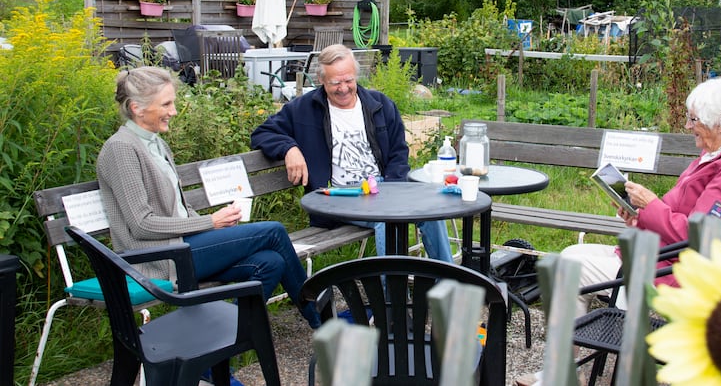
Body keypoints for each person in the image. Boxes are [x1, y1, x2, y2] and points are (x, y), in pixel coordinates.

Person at [96, 66, 320, 328]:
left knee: (271, 262)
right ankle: (320, 320)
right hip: (158, 260)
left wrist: (217, 224)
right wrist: (210, 222)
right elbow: (141, 223)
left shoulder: (156, 143)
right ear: (137, 108)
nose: (174, 111)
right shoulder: (121, 149)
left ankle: (223, 346)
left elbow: (176, 207)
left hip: (182, 245)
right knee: (273, 232)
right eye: (166, 104)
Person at [562, 76, 721, 315]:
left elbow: (700, 236)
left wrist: (650, 205)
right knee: (570, 254)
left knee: (568, 268)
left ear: (720, 123)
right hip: (666, 256)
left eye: (694, 119)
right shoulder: (718, 155)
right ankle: (592, 340)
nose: (688, 126)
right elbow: (682, 211)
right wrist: (640, 213)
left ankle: (589, 345)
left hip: (683, 272)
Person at [250, 44, 453, 262]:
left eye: (349, 81)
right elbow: (262, 133)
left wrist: (394, 190)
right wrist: (289, 149)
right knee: (386, 217)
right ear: (321, 81)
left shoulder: (380, 105)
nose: (343, 88)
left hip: (386, 188)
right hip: (340, 197)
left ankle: (450, 284)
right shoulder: (303, 109)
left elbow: (398, 152)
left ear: (356, 75)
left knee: (431, 207)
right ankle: (392, 294)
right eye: (335, 83)